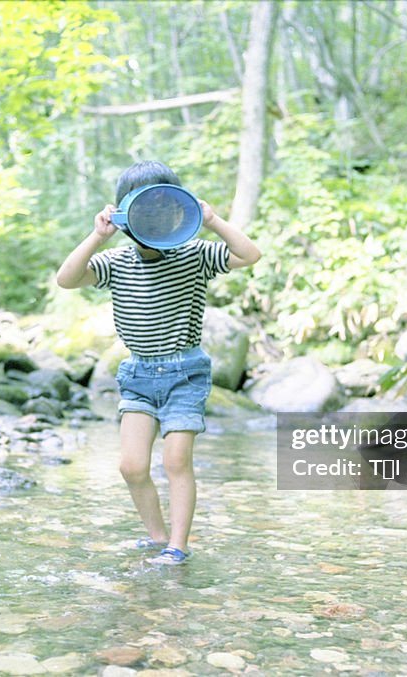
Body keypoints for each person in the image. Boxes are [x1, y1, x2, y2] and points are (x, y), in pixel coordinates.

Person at [56, 160, 261, 565]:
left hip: (185, 373)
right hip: (138, 374)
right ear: (124, 215)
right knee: (131, 466)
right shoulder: (116, 263)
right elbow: (66, 278)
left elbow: (248, 254)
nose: (154, 218)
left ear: (177, 211)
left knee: (175, 460)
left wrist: (214, 220)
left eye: (164, 208)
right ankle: (157, 536)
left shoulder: (194, 254)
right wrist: (96, 236)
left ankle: (178, 546)